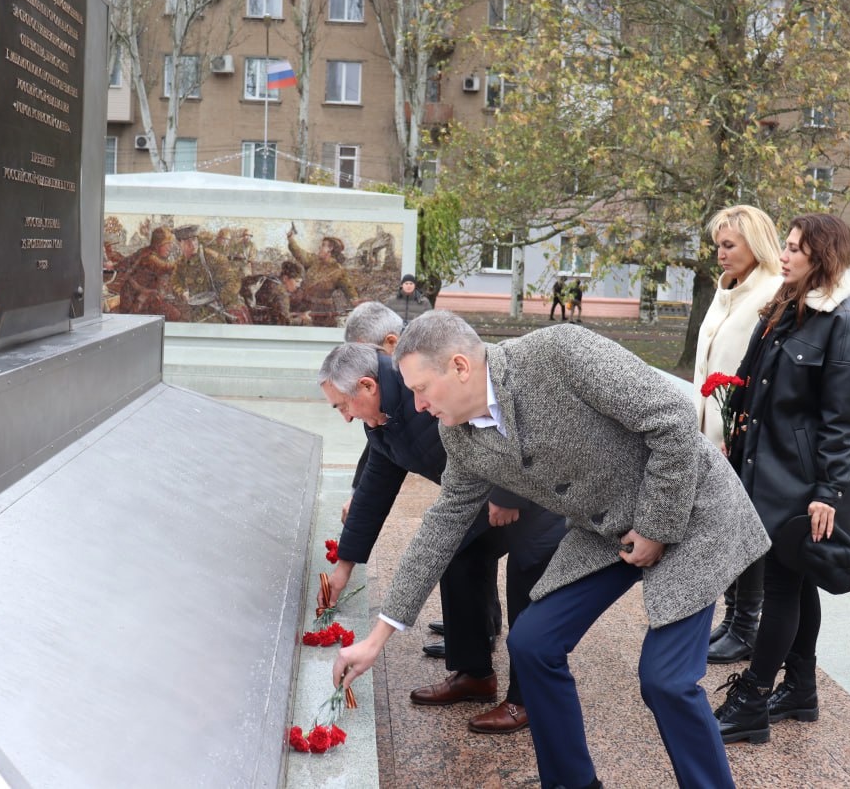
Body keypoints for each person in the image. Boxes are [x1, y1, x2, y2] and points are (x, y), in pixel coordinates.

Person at [333, 310, 770, 789]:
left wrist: (655, 528)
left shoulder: (560, 352)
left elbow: (673, 420)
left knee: (665, 679)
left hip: (689, 509)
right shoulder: (456, 433)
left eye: (421, 389)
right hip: (607, 532)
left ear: (460, 367)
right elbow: (440, 528)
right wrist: (376, 639)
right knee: (532, 643)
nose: (416, 405)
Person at [319, 341, 566, 735]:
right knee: (456, 557)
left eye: (342, 406)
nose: (346, 418)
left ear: (367, 386)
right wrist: (343, 566)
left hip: (535, 494)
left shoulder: (424, 390)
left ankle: (527, 699)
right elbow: (374, 491)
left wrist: (507, 493)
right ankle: (474, 674)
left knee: (527, 579)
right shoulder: (383, 420)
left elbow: (513, 413)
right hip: (474, 498)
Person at [714, 213, 850, 745]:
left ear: (822, 256)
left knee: (783, 584)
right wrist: (733, 434)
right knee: (798, 579)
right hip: (766, 468)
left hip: (803, 481)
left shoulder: (847, 325)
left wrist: (828, 493)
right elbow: (753, 382)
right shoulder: (789, 309)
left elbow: (844, 422)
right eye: (785, 247)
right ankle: (802, 689)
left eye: (794, 249)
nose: (783, 256)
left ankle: (754, 699)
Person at [693, 206, 784, 665]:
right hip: (712, 431)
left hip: (741, 437)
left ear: (756, 244)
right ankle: (732, 619)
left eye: (729, 245)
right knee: (725, 527)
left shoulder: (772, 293)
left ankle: (747, 624)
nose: (721, 254)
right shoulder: (726, 290)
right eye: (718, 246)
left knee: (743, 529)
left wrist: (738, 429)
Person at [171, 225, 250, 323]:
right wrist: (182, 292)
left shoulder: (212, 258)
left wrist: (220, 299)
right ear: (180, 243)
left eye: (194, 239)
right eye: (187, 241)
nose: (193, 244)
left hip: (220, 309)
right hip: (197, 310)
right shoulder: (180, 263)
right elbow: (175, 282)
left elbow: (234, 281)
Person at [287, 231, 359, 326]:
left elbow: (351, 293)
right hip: (304, 306)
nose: (319, 248)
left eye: (323, 245)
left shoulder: (339, 271)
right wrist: (290, 239)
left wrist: (356, 302)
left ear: (330, 249)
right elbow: (299, 253)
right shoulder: (313, 260)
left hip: (323, 312)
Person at [118, 226, 182, 320]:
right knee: (175, 315)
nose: (170, 248)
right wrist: (184, 259)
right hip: (135, 300)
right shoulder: (150, 258)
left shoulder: (145, 251)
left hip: (143, 296)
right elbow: (167, 268)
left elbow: (126, 261)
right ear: (158, 244)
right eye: (167, 244)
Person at [244, 260, 312, 326]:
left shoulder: (269, 281)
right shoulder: (281, 293)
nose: (298, 286)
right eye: (297, 281)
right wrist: (301, 318)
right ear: (285, 278)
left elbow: (273, 311)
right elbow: (285, 323)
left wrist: (289, 314)